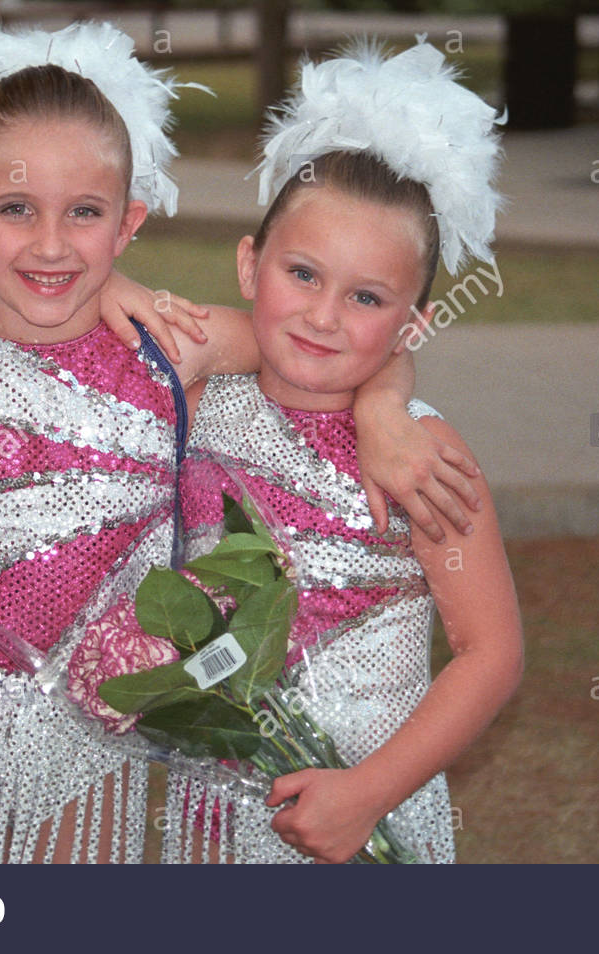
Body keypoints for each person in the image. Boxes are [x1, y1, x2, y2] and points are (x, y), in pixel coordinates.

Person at [0, 24, 483, 864]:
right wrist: (93, 275)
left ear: (128, 220)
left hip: (110, 754)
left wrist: (388, 406)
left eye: (86, 215)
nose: (53, 243)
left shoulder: (171, 358)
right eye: (17, 209)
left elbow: (342, 350)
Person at [166, 39, 524, 864]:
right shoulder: (196, 403)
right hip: (210, 818)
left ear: (413, 326)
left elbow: (492, 654)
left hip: (373, 809)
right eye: (303, 274)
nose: (323, 316)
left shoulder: (423, 454)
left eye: (365, 297)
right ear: (250, 265)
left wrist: (367, 792)